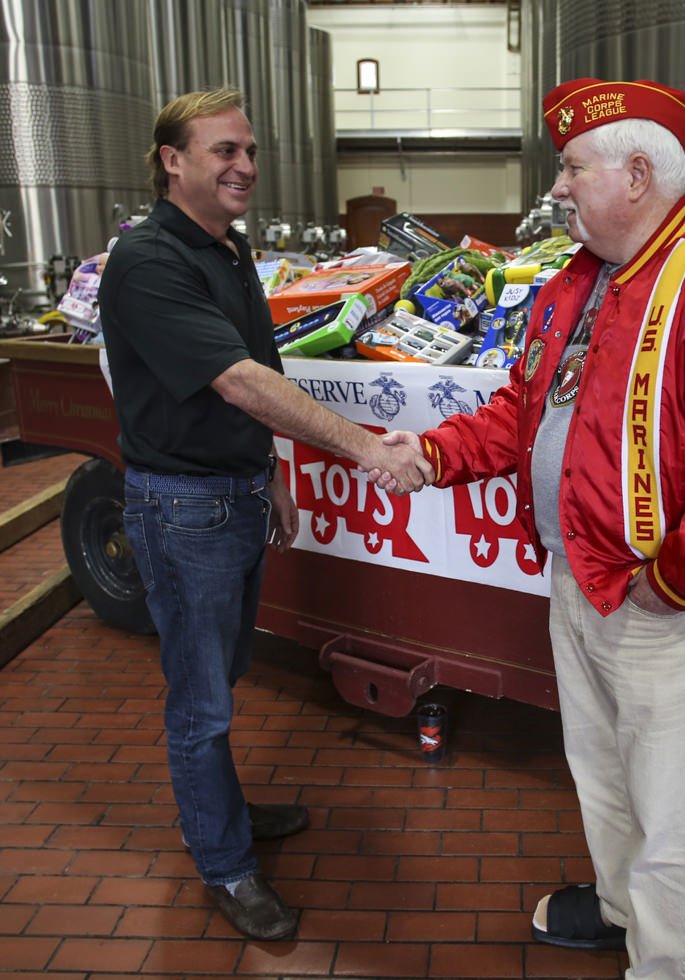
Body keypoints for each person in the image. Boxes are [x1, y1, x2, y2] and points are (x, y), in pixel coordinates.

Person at [378, 79, 685, 979]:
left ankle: (665, 965)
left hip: (659, 598)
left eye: (572, 168)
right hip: (577, 576)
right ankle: (623, 910)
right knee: (602, 773)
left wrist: (673, 581)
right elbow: (521, 412)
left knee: (671, 807)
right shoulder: (578, 283)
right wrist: (429, 454)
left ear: (634, 174)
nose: (558, 187)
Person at [97, 88, 430, 941]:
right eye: (223, 151)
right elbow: (238, 381)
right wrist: (362, 448)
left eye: (249, 150)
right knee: (200, 701)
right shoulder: (149, 260)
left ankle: (224, 815)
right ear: (173, 161)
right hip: (182, 511)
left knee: (223, 678)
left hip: (237, 496)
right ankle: (223, 861)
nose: (245, 165)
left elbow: (259, 363)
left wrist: (272, 468)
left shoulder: (230, 249)